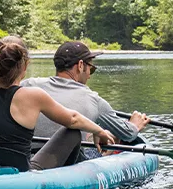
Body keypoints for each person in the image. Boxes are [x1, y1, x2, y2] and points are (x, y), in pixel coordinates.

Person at [0, 36, 114, 170]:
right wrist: (99, 131)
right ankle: (68, 175)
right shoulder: (33, 96)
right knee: (72, 133)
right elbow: (73, 119)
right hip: (20, 169)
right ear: (25, 66)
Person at [22, 41, 151, 161]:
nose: (89, 74)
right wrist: (135, 124)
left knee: (97, 132)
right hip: (67, 161)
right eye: (91, 68)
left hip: (30, 157)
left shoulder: (29, 84)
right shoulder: (94, 100)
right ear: (80, 65)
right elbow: (128, 134)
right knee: (113, 138)